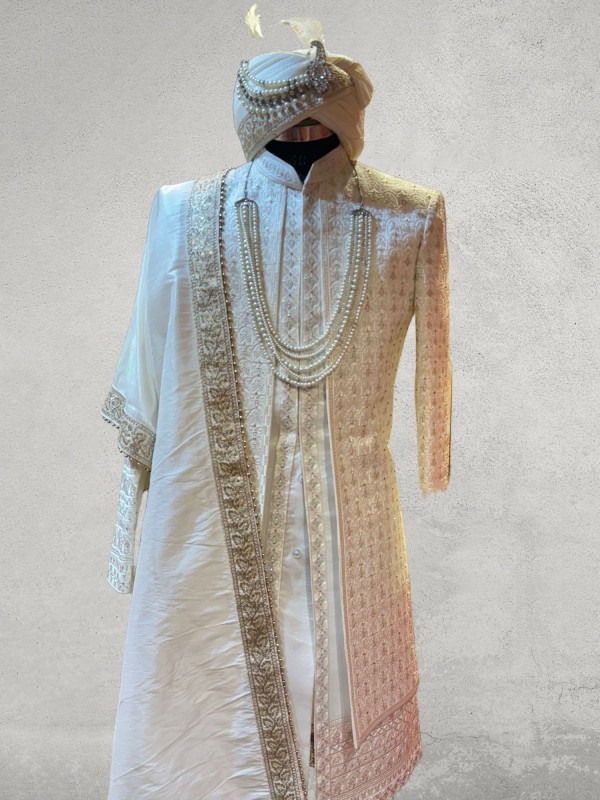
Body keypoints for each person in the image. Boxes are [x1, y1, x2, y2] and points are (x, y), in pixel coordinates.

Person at [100, 13, 452, 800]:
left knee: (332, 693)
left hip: (347, 526)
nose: (302, 133)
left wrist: (435, 454)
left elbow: (434, 372)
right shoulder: (182, 212)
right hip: (207, 520)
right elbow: (144, 377)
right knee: (203, 702)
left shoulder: (410, 214)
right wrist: (130, 530)